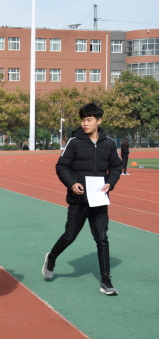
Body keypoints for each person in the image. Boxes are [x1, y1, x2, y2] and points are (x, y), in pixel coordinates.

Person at [42, 102, 122, 295]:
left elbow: (116, 167)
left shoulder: (109, 144)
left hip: (99, 199)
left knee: (102, 238)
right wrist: (72, 183)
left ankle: (106, 281)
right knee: (70, 235)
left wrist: (110, 183)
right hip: (78, 199)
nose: (85, 123)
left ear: (98, 121)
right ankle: (51, 257)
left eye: (89, 120)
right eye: (83, 120)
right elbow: (62, 167)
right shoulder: (74, 142)